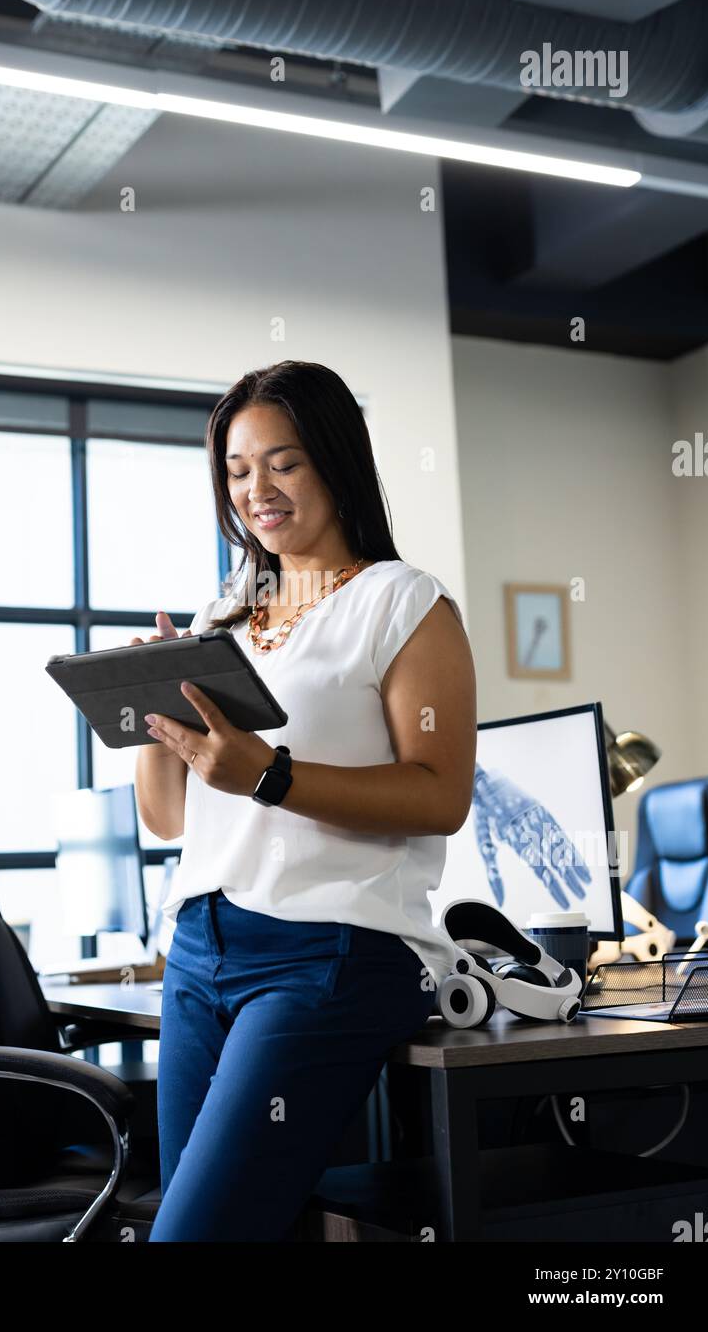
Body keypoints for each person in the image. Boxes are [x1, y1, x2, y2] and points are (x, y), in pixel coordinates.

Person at [132, 360, 477, 1241]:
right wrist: (151, 710)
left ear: (334, 460)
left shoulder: (402, 602)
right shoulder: (227, 617)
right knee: (214, 1223)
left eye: (282, 463)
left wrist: (269, 775)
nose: (258, 490)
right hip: (199, 951)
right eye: (238, 471)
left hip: (326, 950)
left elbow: (439, 796)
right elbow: (171, 821)